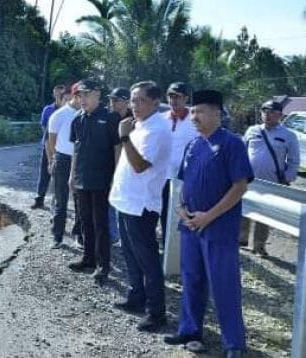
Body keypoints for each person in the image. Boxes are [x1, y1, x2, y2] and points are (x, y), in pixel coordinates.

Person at [164, 90, 253, 358]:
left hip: (218, 229)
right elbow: (185, 182)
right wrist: (181, 209)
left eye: (200, 111)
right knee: (191, 279)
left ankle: (234, 344)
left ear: (217, 113)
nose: (194, 116)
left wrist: (209, 216)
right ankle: (190, 330)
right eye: (193, 112)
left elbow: (240, 187)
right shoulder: (194, 144)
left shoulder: (231, 144)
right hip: (191, 226)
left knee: (224, 285)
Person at [108, 81, 171, 332]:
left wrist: (123, 136)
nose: (135, 105)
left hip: (141, 205)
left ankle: (157, 313)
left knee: (148, 260)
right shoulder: (139, 124)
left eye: (141, 100)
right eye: (133, 100)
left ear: (156, 103)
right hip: (125, 200)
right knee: (130, 254)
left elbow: (140, 165)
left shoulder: (158, 129)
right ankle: (137, 297)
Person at [67, 79, 121, 284]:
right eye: (79, 95)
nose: (82, 99)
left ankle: (102, 265)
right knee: (85, 221)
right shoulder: (77, 119)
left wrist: (116, 176)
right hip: (81, 179)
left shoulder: (109, 118)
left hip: (101, 180)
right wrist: (72, 176)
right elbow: (76, 150)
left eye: (86, 94)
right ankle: (88, 258)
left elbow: (117, 148)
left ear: (97, 94)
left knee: (101, 224)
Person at [240, 100, 300, 257]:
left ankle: (259, 246)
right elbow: (242, 152)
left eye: (272, 112)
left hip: (271, 182)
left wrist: (287, 177)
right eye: (265, 111)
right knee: (243, 209)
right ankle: (241, 239)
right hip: (248, 180)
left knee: (264, 215)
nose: (268, 115)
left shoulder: (288, 135)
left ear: (280, 115)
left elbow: (294, 161)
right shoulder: (252, 131)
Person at [161, 82, 198, 248]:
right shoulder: (162, 119)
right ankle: (166, 246)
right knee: (163, 213)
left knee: (182, 213)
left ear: (186, 98)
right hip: (163, 175)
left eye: (178, 96)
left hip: (185, 177)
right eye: (170, 96)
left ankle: (183, 248)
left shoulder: (194, 119)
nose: (173, 100)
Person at [46, 85, 80, 248]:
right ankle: (57, 236)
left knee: (80, 201)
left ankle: (78, 235)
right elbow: (51, 140)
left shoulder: (85, 114)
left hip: (81, 160)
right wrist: (53, 160)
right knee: (61, 199)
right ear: (75, 96)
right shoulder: (59, 115)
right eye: (83, 95)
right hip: (63, 159)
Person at [32, 85, 67, 209]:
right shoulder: (48, 109)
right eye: (56, 93)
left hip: (62, 148)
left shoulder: (69, 112)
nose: (58, 95)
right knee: (44, 172)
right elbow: (44, 127)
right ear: (54, 94)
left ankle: (57, 201)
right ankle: (39, 198)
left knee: (60, 176)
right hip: (48, 143)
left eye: (61, 93)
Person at [107, 87, 132, 245]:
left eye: (116, 100)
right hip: (109, 163)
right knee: (111, 199)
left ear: (126, 101)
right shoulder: (109, 118)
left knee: (127, 200)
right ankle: (113, 235)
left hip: (131, 165)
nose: (112, 103)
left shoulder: (134, 118)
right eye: (111, 99)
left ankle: (127, 234)